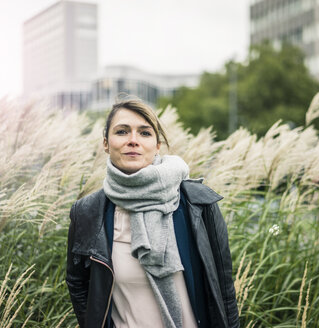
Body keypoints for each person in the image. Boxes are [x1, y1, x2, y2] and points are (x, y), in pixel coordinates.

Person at [66, 98, 239, 328]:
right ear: (106, 143)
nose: (133, 141)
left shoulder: (196, 203)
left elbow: (224, 290)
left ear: (157, 145)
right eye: (122, 131)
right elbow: (78, 284)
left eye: (145, 133)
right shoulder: (88, 212)